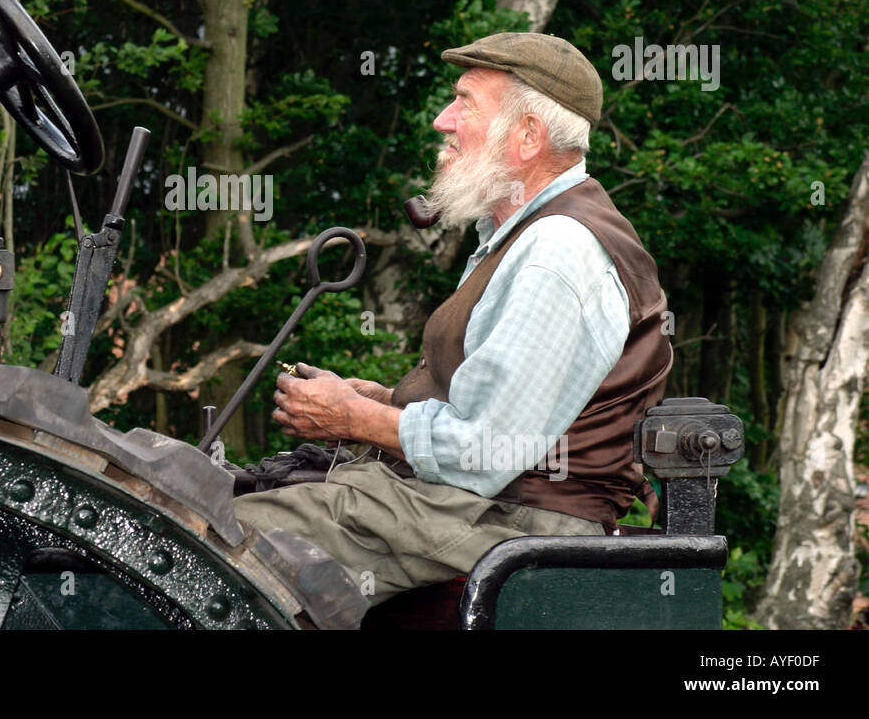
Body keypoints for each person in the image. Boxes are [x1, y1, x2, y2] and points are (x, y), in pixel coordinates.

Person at [233, 32, 673, 607]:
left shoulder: (558, 249)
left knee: (217, 538)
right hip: (477, 509)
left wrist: (357, 418)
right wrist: (386, 398)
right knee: (224, 497)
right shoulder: (522, 236)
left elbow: (487, 452)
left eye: (464, 102)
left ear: (528, 136)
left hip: (513, 524)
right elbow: (495, 411)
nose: (443, 120)